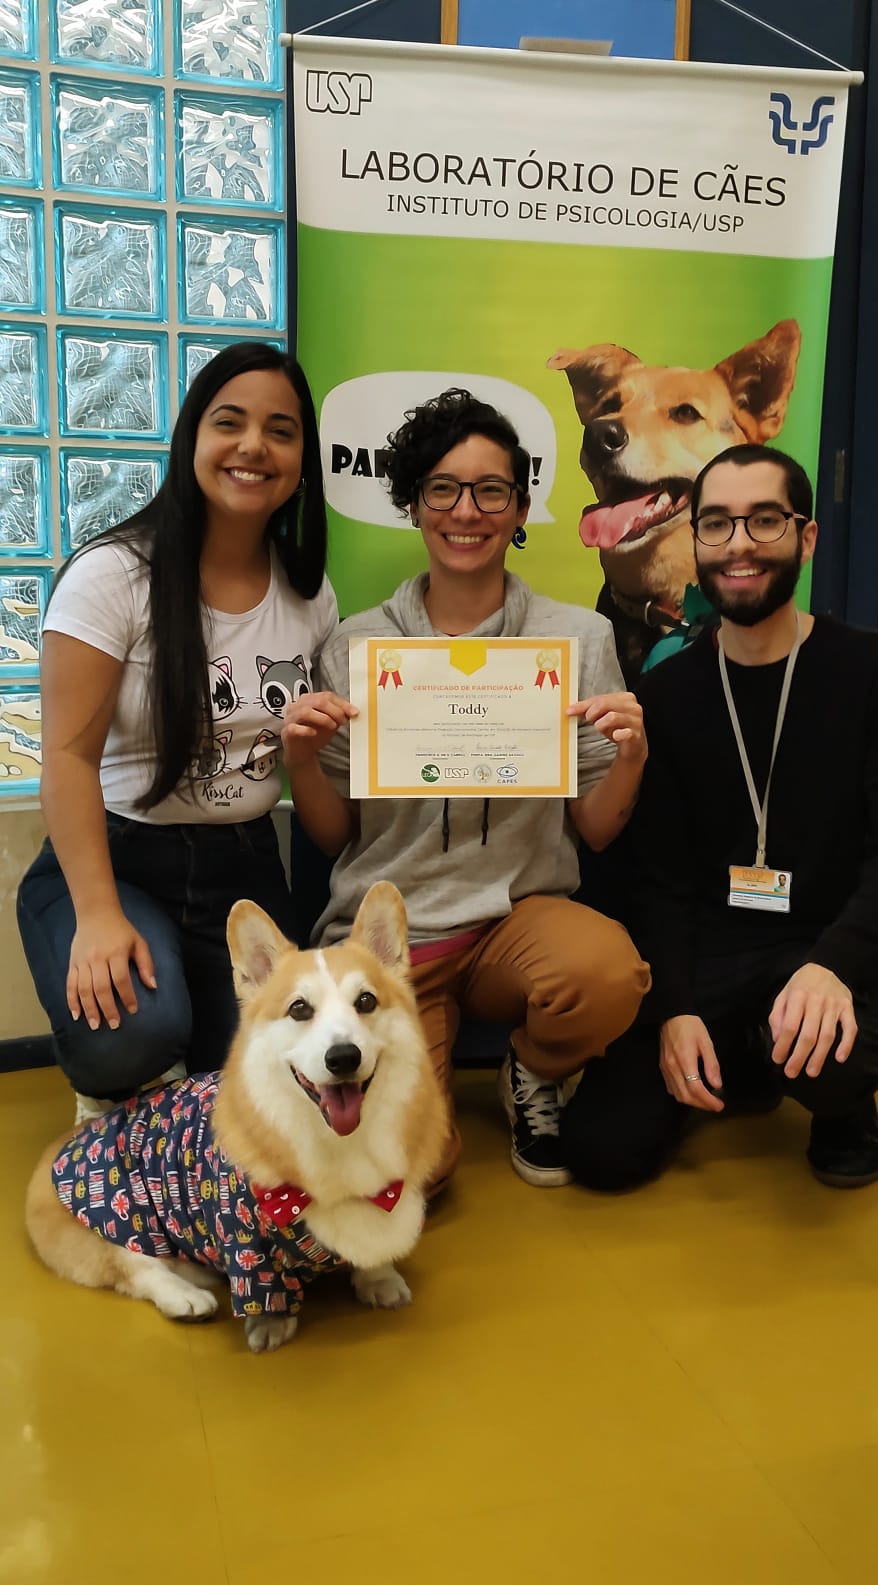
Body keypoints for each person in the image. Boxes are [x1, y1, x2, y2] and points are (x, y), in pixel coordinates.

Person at [280, 388, 651, 1190]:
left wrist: (629, 756)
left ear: (520, 506)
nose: (467, 511)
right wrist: (302, 760)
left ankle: (532, 1069)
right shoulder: (358, 646)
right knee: (416, 1174)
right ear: (414, 504)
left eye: (492, 490)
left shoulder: (578, 640)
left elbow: (595, 830)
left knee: (606, 973)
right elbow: (331, 836)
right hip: (392, 942)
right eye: (442, 489)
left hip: (518, 919)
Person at [18, 342, 338, 1122]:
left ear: (303, 460)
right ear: (192, 437)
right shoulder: (113, 574)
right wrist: (96, 914)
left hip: (248, 863)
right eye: (229, 422)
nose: (254, 446)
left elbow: (317, 800)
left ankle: (178, 1067)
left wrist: (304, 757)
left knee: (280, 1077)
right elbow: (63, 756)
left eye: (281, 430)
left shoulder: (310, 593)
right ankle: (113, 1082)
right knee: (135, 1031)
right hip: (116, 857)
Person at [564, 443, 878, 1189]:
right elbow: (660, 876)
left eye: (764, 520)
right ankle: (739, 1054)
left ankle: (843, 1109)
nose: (739, 544)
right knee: (602, 1151)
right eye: (717, 524)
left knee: (828, 1059)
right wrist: (674, 1009)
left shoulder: (866, 671)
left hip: (830, 946)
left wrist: (833, 964)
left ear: (804, 537)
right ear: (695, 541)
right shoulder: (668, 693)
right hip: (713, 952)